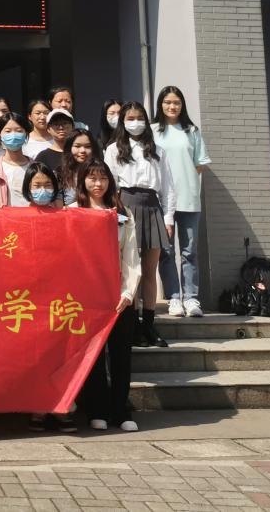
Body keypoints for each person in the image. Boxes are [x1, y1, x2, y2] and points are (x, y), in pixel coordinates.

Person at [76, 159, 142, 433]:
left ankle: (121, 410)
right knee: (92, 357)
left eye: (103, 178)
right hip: (87, 298)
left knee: (120, 355)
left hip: (118, 296)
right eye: (92, 178)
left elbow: (131, 258)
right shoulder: (74, 212)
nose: (98, 184)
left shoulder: (123, 215)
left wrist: (128, 292)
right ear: (82, 182)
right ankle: (98, 409)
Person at [105, 101, 176, 349]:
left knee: (149, 270)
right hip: (126, 205)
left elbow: (168, 187)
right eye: (130, 118)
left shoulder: (157, 150)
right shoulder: (114, 149)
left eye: (139, 118)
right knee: (130, 268)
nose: (135, 122)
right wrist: (115, 214)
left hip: (152, 206)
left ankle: (149, 324)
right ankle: (133, 324)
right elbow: (110, 184)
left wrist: (168, 218)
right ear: (123, 122)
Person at [19, 163, 76, 434]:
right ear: (27, 189)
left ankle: (62, 407)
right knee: (35, 356)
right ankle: (37, 408)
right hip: (29, 296)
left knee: (59, 355)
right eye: (36, 186)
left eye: (47, 185)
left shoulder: (65, 217)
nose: (42, 190)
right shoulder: (17, 218)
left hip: (58, 295)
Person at [153, 86, 212, 318]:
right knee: (166, 252)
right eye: (167, 102)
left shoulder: (191, 130)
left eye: (176, 102)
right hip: (161, 200)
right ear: (160, 104)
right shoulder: (153, 130)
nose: (172, 106)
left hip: (189, 199)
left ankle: (191, 298)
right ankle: (174, 298)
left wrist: (185, 180)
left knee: (189, 252)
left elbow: (200, 163)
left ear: (182, 105)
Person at [0, 113, 32, 206]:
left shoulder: (36, 168)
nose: (13, 135)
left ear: (26, 134)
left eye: (19, 131)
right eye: (8, 131)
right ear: (0, 134)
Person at [57, 129, 102, 206]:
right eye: (77, 146)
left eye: (87, 146)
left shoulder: (102, 171)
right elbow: (58, 205)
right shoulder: (60, 173)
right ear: (69, 148)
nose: (83, 150)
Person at [35, 108, 76, 176]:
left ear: (73, 127)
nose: (61, 127)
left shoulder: (79, 153)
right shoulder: (43, 156)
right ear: (48, 129)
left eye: (65, 123)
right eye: (56, 124)